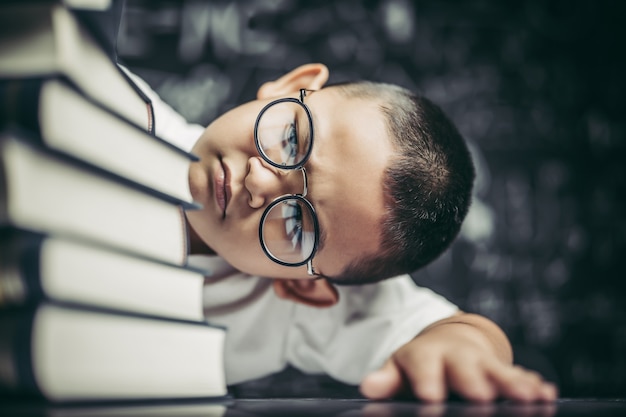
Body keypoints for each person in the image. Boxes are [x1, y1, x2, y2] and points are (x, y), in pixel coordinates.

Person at [127, 63, 557, 403]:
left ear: (303, 290)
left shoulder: (299, 313)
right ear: (290, 85)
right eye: (293, 140)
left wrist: (462, 353)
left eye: (298, 224)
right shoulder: (107, 106)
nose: (258, 182)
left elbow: (459, 333)